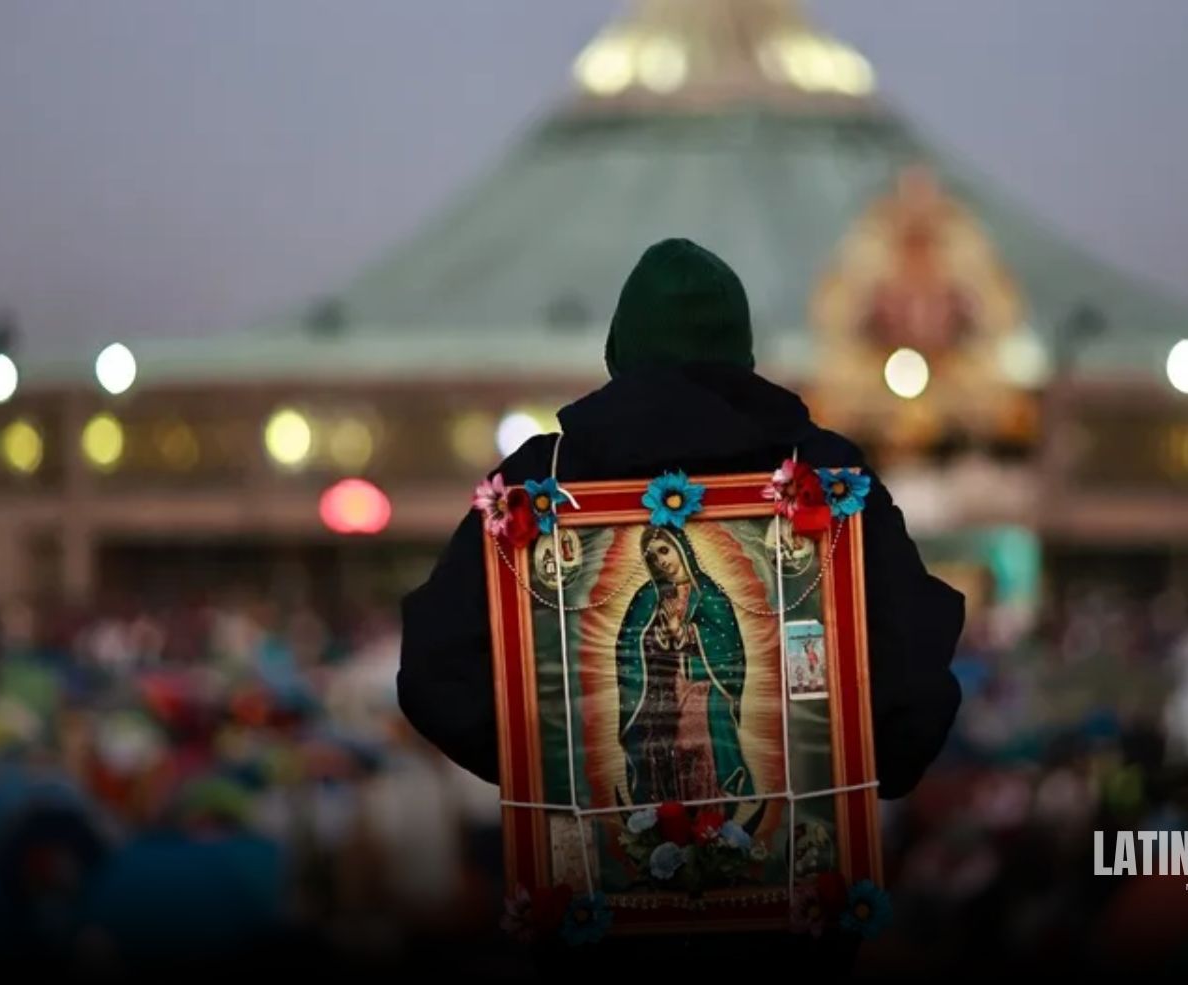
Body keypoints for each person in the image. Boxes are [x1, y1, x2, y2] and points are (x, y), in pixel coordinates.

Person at [397, 238, 965, 975]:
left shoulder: (546, 481)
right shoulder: (826, 476)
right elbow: (913, 681)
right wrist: (846, 776)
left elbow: (436, 673)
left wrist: (553, 766)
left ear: (619, 348)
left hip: (597, 930)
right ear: (743, 351)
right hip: (790, 930)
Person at [616, 525, 753, 810]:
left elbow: (728, 646)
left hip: (700, 696)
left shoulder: (709, 593)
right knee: (667, 755)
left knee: (696, 750)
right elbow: (629, 644)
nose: (661, 561)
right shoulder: (647, 597)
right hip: (661, 696)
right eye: (653, 557)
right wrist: (658, 638)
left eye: (664, 550)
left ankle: (709, 823)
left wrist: (687, 633)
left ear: (681, 547)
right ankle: (670, 821)